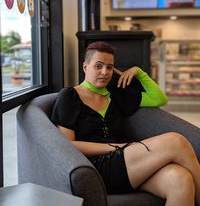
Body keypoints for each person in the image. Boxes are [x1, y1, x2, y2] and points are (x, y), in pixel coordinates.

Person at [52, 41, 200, 206]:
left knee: (181, 180)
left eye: (109, 67)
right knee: (176, 141)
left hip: (129, 164)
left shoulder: (117, 95)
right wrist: (115, 146)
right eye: (98, 66)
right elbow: (67, 145)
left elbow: (160, 98)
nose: (104, 72)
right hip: (97, 168)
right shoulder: (69, 96)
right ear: (85, 67)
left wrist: (138, 72)